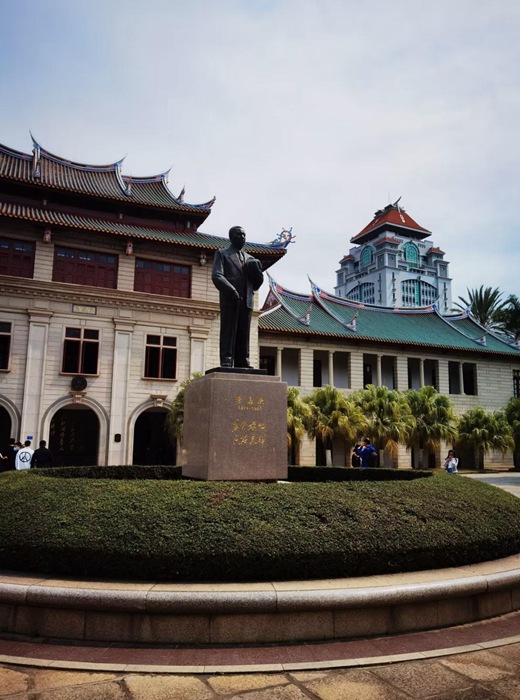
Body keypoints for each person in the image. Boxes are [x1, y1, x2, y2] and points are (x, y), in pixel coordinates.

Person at [212, 226, 264, 368]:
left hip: (247, 300)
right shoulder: (222, 254)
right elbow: (217, 275)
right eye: (238, 234)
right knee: (228, 330)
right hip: (230, 298)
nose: (242, 237)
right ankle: (227, 359)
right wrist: (231, 290)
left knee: (244, 332)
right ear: (231, 237)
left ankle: (243, 360)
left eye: (244, 235)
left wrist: (257, 272)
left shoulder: (250, 258)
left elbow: (256, 284)